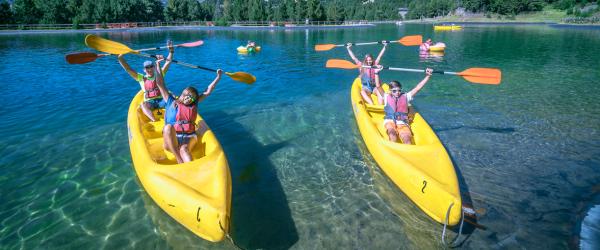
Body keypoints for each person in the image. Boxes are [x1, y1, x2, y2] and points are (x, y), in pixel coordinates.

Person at [152, 55, 223, 163]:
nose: (189, 99)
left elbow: (208, 91)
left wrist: (218, 77)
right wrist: (157, 65)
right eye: (187, 95)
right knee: (167, 128)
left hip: (189, 137)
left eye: (192, 97)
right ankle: (178, 158)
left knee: (184, 149)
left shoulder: (193, 105)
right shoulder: (170, 101)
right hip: (172, 139)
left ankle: (191, 169)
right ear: (183, 94)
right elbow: (160, 83)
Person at [118, 41, 174, 122]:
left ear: (154, 68)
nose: (149, 69)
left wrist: (171, 51)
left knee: (172, 102)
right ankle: (154, 120)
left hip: (161, 99)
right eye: (147, 67)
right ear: (144, 70)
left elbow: (168, 62)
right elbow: (128, 69)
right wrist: (120, 58)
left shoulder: (159, 73)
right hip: (150, 101)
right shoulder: (141, 77)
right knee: (143, 105)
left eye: (151, 67)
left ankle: (171, 119)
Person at [383, 68, 433, 144]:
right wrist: (376, 73)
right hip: (390, 121)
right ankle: (393, 149)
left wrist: (428, 76)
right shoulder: (386, 96)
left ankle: (408, 152)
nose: (397, 92)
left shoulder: (406, 96)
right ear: (390, 91)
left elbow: (418, 88)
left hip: (402, 122)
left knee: (407, 139)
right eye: (394, 91)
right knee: (392, 134)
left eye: (399, 90)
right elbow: (378, 85)